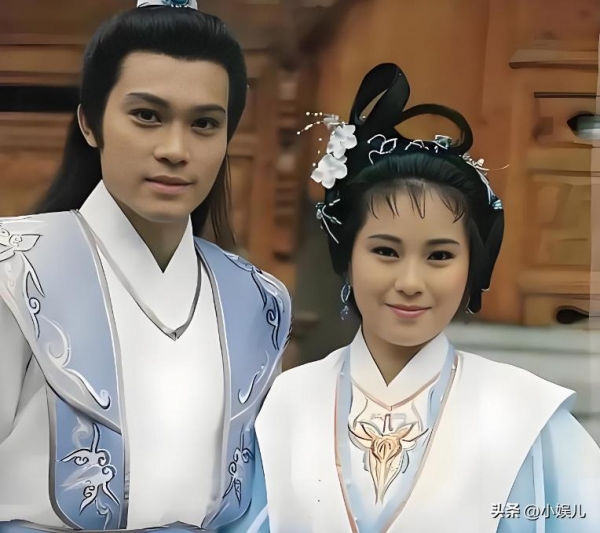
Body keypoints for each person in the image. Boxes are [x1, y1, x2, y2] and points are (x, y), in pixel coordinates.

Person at [237, 63, 600, 532]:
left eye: (440, 256)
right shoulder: (283, 406)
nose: (410, 281)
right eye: (386, 251)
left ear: (473, 267)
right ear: (347, 257)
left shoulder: (526, 417)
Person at [0, 1, 291, 531]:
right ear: (90, 123)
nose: (175, 149)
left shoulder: (258, 300)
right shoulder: (15, 267)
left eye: (204, 124)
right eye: (147, 116)